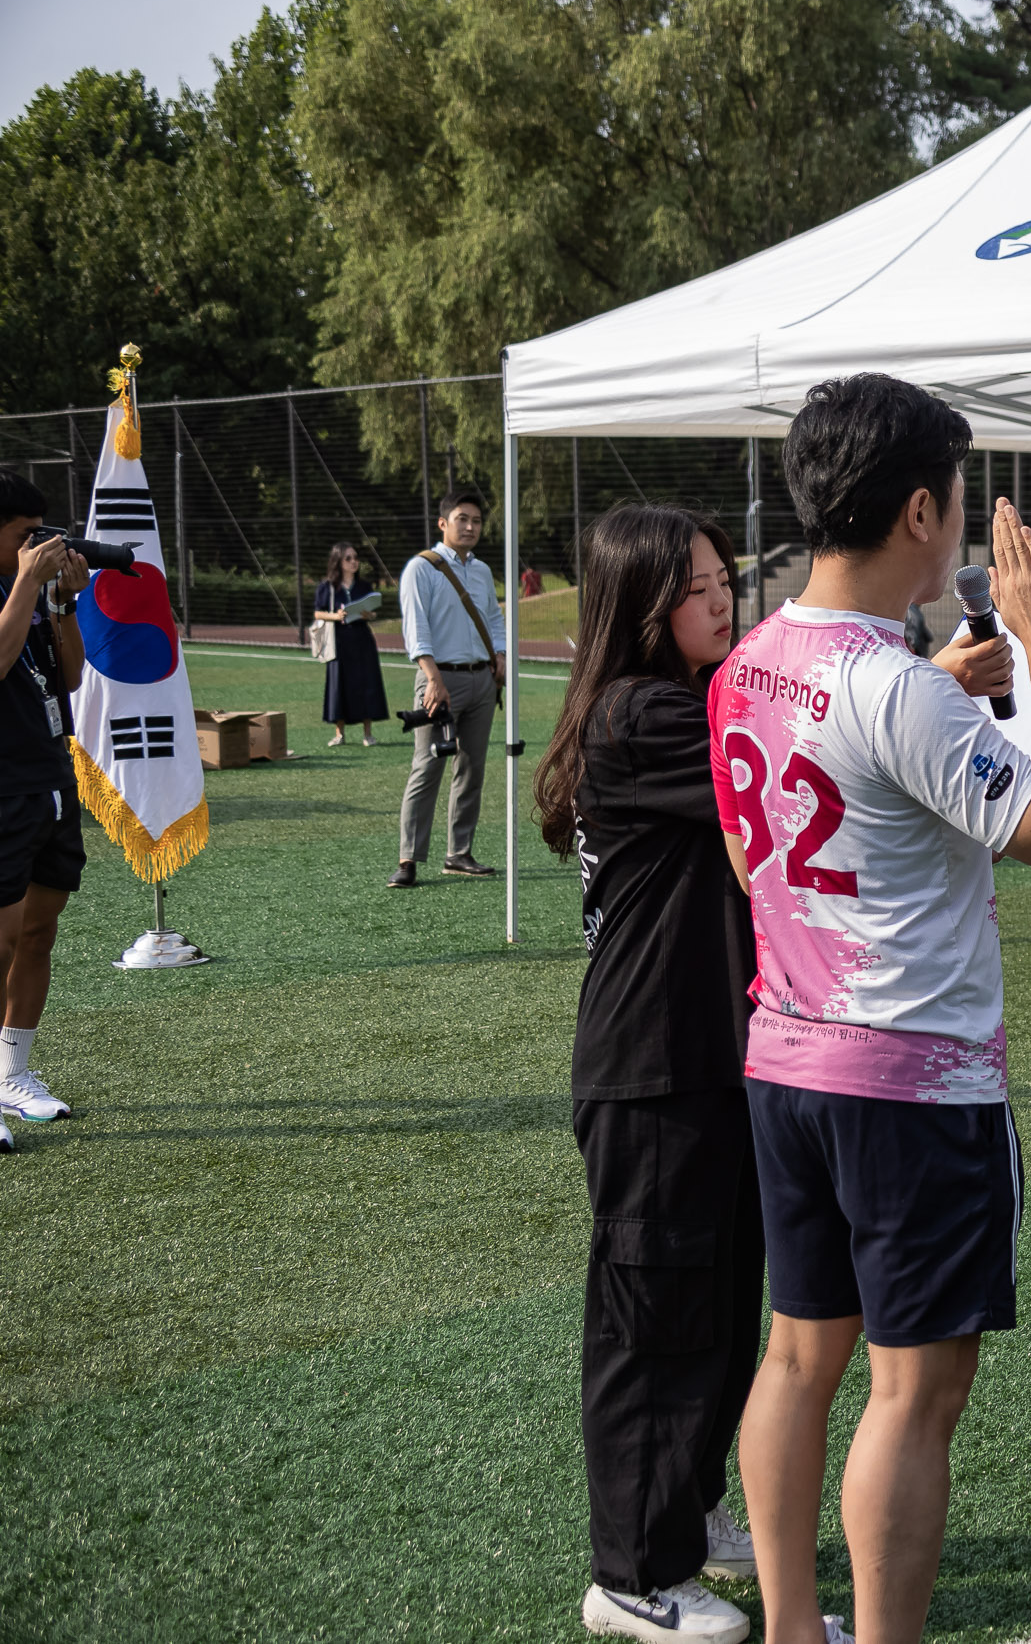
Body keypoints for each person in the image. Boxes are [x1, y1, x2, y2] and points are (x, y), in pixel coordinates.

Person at [716, 374, 1031, 1644]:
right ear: (926, 510)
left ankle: (790, 1625)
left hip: (785, 1062)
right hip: (910, 1079)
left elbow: (750, 859)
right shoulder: (907, 691)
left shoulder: (749, 659)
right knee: (914, 1390)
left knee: (795, 1356)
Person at [535, 505, 765, 1644]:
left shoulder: (675, 702)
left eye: (726, 580)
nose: (721, 600)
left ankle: (688, 1502)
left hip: (710, 1056)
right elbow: (786, 759)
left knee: (719, 1306)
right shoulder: (643, 716)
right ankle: (630, 1569)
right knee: (652, 1322)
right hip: (653, 1065)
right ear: (640, 604)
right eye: (697, 587)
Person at [0, 472, 88, 1135]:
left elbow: (72, 676)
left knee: (38, 929)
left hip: (51, 772)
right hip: (3, 783)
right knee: (0, 938)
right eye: (26, 535)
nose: (39, 544)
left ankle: (12, 1073)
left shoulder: (31, 592)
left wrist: (63, 604)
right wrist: (29, 583)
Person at [391, 485, 507, 887]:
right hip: (438, 679)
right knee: (428, 766)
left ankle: (459, 853)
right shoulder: (421, 568)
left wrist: (501, 657)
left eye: (476, 520)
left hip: (481, 680)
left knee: (472, 768)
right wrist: (433, 678)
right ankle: (408, 859)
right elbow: (415, 627)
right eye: (463, 519)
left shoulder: (481, 570)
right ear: (443, 523)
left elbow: (493, 618)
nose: (471, 526)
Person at [312, 542, 389, 746]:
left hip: (362, 639)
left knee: (367, 682)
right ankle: (339, 734)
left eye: (355, 558)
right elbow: (318, 613)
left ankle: (368, 734)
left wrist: (368, 614)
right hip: (338, 641)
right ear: (338, 561)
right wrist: (336, 616)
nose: (354, 562)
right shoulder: (327, 587)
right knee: (339, 685)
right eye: (348, 558)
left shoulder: (364, 586)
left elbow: (372, 613)